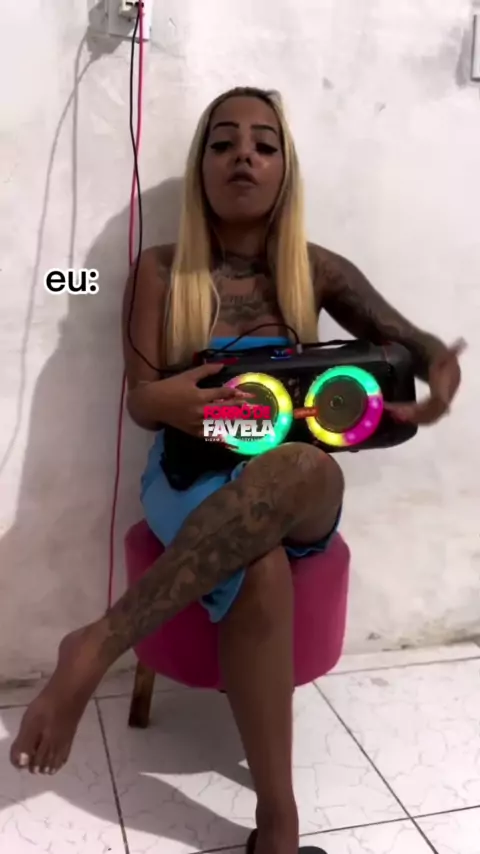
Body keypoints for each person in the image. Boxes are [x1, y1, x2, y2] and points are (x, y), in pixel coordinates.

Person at [10, 86, 464, 854]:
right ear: (202, 167)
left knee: (300, 464)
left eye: (263, 144)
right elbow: (142, 400)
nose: (243, 157)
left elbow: (416, 347)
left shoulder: (317, 269)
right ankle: (278, 829)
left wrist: (438, 379)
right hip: (190, 471)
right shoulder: (160, 271)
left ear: (286, 168)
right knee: (261, 570)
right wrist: (173, 400)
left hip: (297, 478)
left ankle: (97, 643)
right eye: (223, 143)